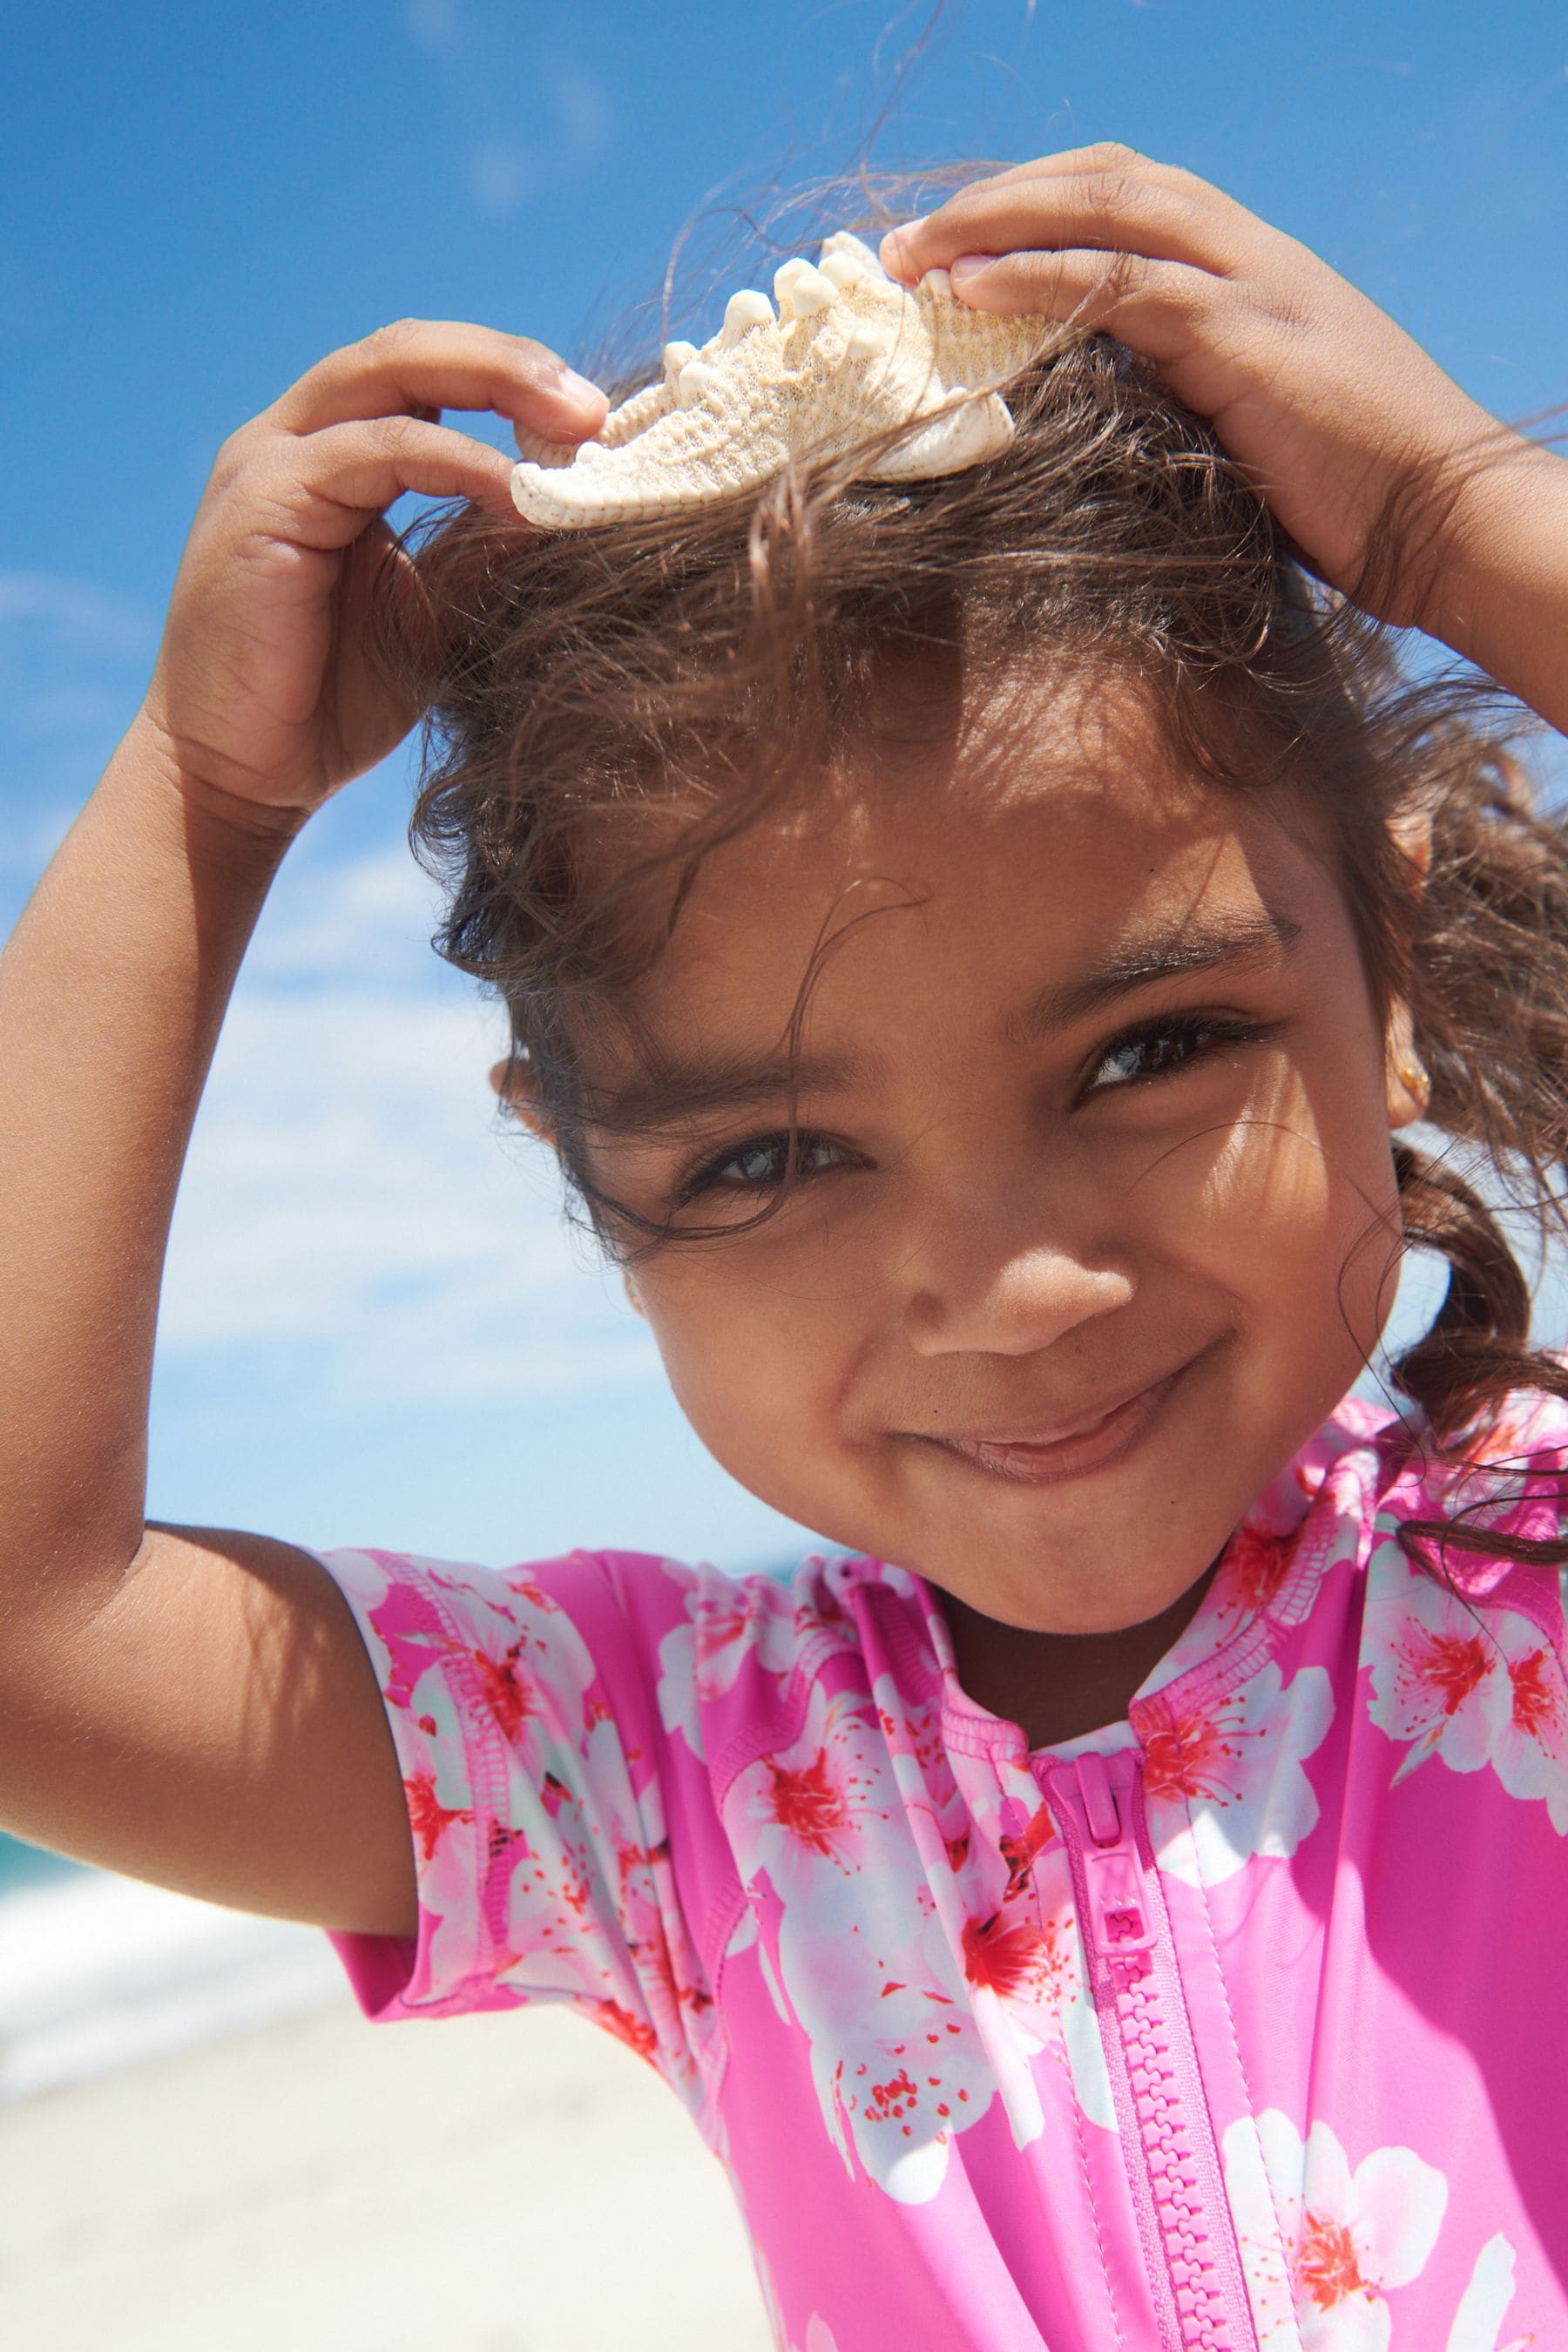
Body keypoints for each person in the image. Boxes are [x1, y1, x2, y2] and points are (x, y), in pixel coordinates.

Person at [3, 145, 1567, 2349]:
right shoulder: (670, 1782)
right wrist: (200, 793)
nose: (1017, 1290)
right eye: (767, 1162)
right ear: (577, 1173)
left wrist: (1458, 523)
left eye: (1155, 1049)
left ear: (1386, 975)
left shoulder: (1546, 1565)